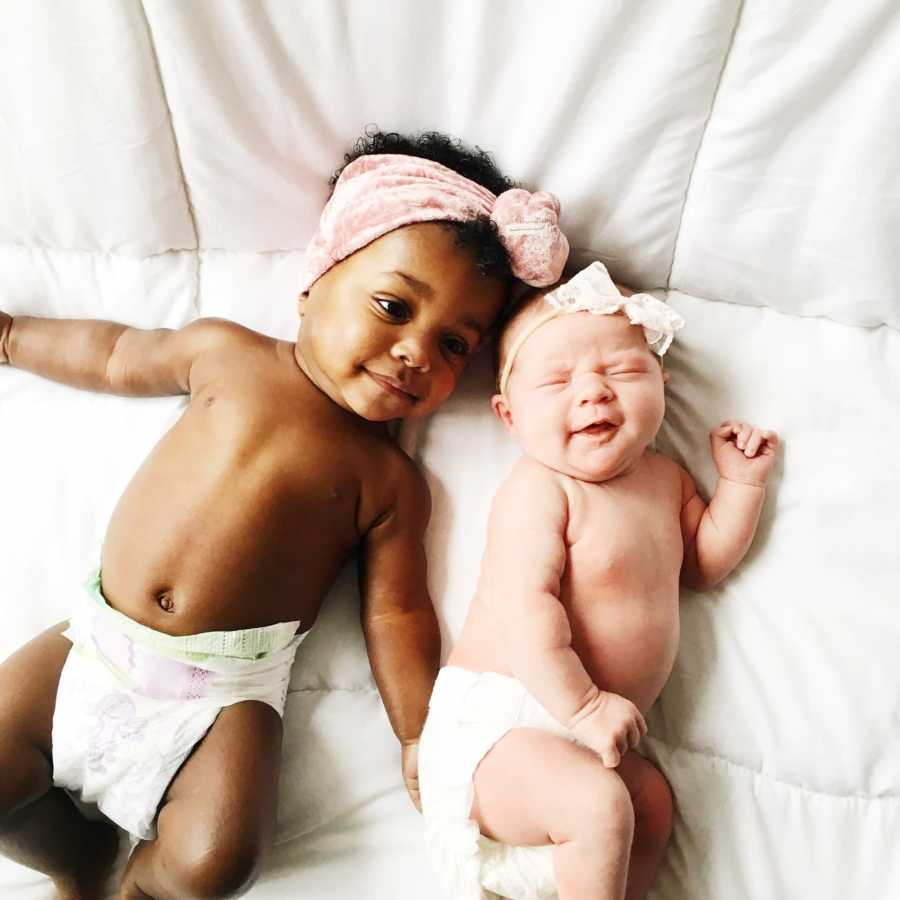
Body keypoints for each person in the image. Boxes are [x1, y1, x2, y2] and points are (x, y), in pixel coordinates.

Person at [0, 129, 569, 900]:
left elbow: (396, 616)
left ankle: (139, 888)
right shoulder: (224, 355)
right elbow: (114, 355)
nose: (414, 352)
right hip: (98, 644)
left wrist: (416, 733)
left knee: (218, 863)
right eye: (393, 307)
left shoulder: (391, 480)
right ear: (315, 283)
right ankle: (75, 859)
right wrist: (9, 337)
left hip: (225, 697)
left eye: (454, 345)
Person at [417, 261, 780, 900]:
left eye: (621, 371)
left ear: (662, 384)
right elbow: (522, 606)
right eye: (557, 381)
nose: (593, 392)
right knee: (599, 806)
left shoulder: (667, 482)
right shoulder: (540, 489)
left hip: (595, 741)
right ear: (509, 416)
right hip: (507, 725)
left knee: (650, 806)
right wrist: (581, 706)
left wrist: (741, 485)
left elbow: (702, 566)